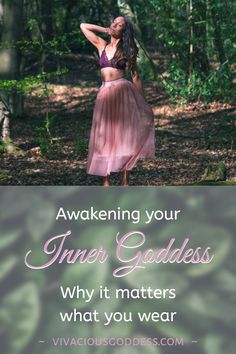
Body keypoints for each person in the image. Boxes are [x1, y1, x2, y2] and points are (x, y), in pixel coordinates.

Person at [80, 16, 155, 186]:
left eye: (120, 24)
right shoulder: (102, 45)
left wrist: (143, 102)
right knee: (104, 135)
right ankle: (106, 181)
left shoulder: (127, 50)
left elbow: (135, 76)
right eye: (114, 21)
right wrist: (106, 30)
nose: (115, 24)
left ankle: (125, 179)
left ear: (124, 30)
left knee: (123, 135)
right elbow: (83, 26)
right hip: (105, 94)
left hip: (123, 92)